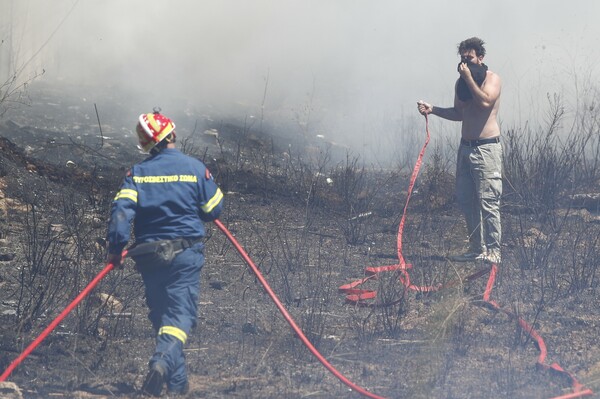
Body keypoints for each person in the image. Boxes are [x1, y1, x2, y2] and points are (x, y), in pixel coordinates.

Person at [106, 109, 224, 396]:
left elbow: (121, 213)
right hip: (184, 254)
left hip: (148, 256)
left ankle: (178, 385)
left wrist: (117, 249)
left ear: (146, 144)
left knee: (162, 317)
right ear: (171, 134)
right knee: (180, 316)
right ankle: (159, 363)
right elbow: (213, 210)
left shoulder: (136, 174)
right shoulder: (195, 168)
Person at [417, 37, 502, 264]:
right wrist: (432, 109)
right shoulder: (461, 84)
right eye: (462, 58)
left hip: (486, 149)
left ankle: (493, 251)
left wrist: (468, 78)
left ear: (480, 58)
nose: (465, 62)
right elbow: (459, 113)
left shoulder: (492, 79)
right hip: (465, 149)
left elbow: (484, 102)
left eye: (470, 58)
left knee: (488, 201)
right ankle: (476, 248)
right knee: (467, 200)